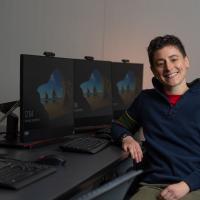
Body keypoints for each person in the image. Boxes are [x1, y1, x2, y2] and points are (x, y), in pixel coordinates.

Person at [111, 35, 200, 200]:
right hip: (152, 185)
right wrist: (127, 138)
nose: (168, 67)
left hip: (193, 186)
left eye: (174, 59)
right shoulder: (146, 100)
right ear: (153, 69)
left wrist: (186, 185)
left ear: (186, 61)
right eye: (160, 63)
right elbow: (118, 126)